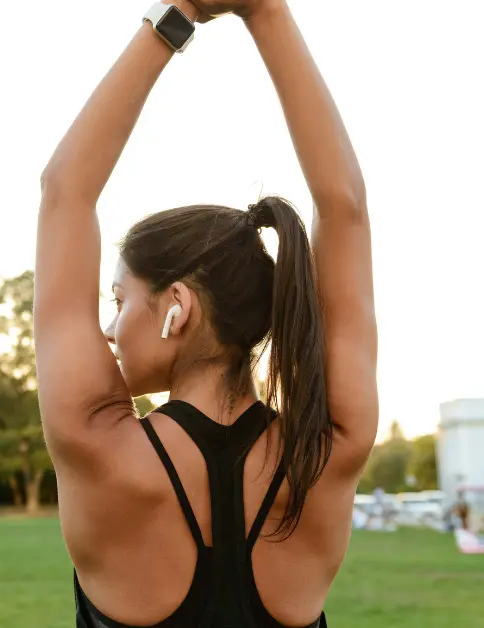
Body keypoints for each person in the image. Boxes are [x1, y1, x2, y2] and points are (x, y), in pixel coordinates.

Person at [34, 0, 376, 626]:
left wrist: (181, 11)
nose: (108, 329)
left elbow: (66, 193)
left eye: (119, 301)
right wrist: (264, 10)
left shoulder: (95, 445)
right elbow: (345, 207)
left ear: (176, 307)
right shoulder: (327, 451)